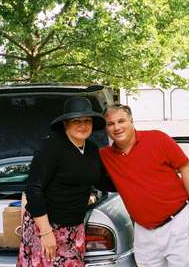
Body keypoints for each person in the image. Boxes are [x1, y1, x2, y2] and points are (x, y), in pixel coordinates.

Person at [99, 104, 189, 267]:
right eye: (110, 124)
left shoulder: (158, 138)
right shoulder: (105, 156)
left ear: (131, 121)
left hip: (179, 223)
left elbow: (186, 169)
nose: (117, 127)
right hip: (144, 231)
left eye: (121, 121)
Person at [16, 97, 114, 267]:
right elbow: (34, 189)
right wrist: (46, 233)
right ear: (65, 124)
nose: (83, 125)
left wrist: (131, 181)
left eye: (87, 121)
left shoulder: (91, 149)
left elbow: (99, 180)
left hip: (75, 227)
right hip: (46, 225)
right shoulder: (51, 147)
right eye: (76, 121)